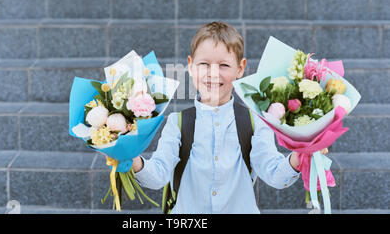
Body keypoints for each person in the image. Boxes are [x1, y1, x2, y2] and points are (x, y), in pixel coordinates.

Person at [131, 21, 325, 213]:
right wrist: (130, 158)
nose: (213, 73)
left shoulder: (255, 121)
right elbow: (157, 176)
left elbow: (274, 173)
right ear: (190, 66)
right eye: (204, 64)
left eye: (224, 65)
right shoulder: (177, 123)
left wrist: (301, 155)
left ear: (240, 68)